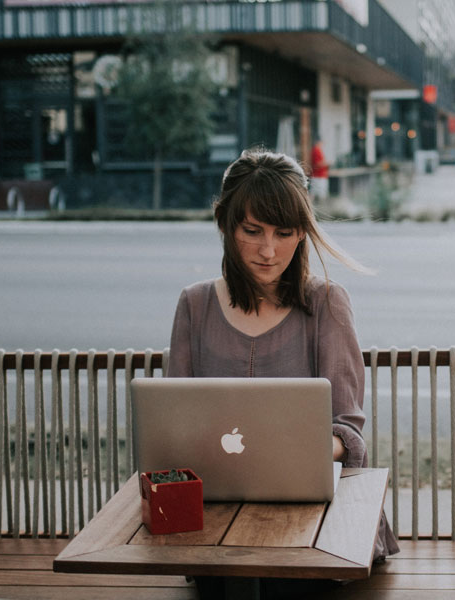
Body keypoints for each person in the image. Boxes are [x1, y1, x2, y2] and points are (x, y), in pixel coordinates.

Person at [166, 149, 398, 596]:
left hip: (313, 519)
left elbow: (348, 433)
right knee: (235, 574)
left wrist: (286, 450)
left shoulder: (327, 302)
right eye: (251, 231)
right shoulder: (195, 304)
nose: (269, 251)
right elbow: (174, 422)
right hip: (217, 515)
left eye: (285, 233)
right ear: (224, 224)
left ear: (303, 234)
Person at [309, 139, 330, 207]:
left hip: (319, 175)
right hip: (318, 175)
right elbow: (317, 164)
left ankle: (315, 206)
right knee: (318, 193)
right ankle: (321, 207)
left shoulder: (317, 150)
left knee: (315, 192)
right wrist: (327, 163)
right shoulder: (316, 150)